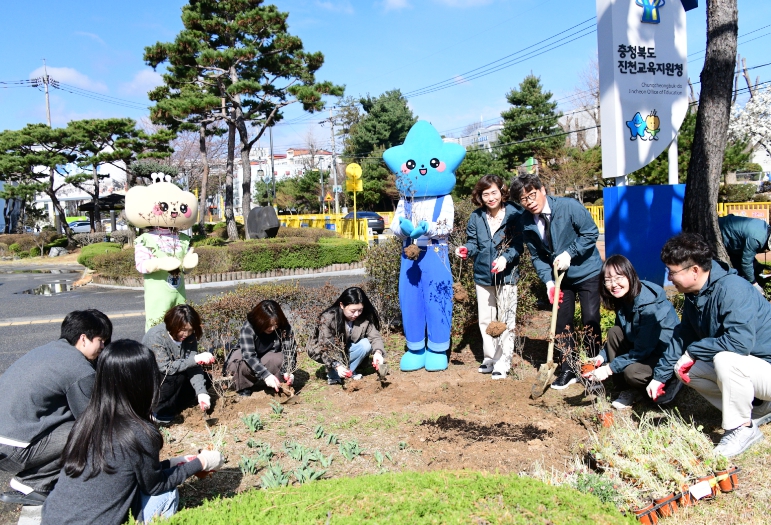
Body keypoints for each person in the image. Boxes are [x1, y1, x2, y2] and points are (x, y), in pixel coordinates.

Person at [41, 340, 224, 524]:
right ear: (142, 384)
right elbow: (156, 485)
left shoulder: (87, 419)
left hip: (52, 517)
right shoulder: (138, 432)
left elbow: (132, 470)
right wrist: (202, 462)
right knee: (167, 495)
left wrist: (177, 462)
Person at [647, 233, 771, 458]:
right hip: (753, 370)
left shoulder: (732, 289)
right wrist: (660, 376)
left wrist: (693, 351)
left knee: (725, 359)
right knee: (685, 369)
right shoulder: (695, 294)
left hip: (766, 368)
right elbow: (683, 335)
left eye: (672, 272)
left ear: (694, 271)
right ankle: (754, 409)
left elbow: (739, 342)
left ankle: (741, 429)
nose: (669, 278)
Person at [0, 310, 112, 506]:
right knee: (92, 430)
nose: (103, 347)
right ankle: (34, 483)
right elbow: (92, 417)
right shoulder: (78, 367)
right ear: (83, 339)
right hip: (11, 450)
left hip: (6, 443)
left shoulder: (50, 350)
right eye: (101, 341)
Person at [510, 173, 603, 389]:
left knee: (590, 319)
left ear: (542, 190)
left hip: (587, 271)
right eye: (523, 199)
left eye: (532, 195)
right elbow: (537, 256)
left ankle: (591, 368)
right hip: (560, 278)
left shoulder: (569, 207)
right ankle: (568, 368)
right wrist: (548, 282)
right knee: (562, 323)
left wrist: (570, 254)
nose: (529, 202)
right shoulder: (525, 221)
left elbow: (590, 233)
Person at [582, 255, 680, 410]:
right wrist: (601, 357)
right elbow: (621, 334)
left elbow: (641, 350)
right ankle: (626, 389)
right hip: (645, 348)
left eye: (618, 277)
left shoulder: (649, 306)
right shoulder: (624, 299)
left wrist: (608, 369)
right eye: (608, 280)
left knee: (632, 373)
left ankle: (671, 382)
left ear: (630, 275)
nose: (613, 284)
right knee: (615, 332)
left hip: (664, 354)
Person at [455, 174, 523, 379]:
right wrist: (466, 249)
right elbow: (473, 242)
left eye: (494, 192)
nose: (491, 198)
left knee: (506, 320)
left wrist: (506, 259)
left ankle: (503, 361)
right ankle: (490, 357)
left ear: (502, 191)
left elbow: (518, 245)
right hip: (483, 276)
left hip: (507, 276)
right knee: (485, 319)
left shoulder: (516, 213)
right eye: (486, 194)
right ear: (480, 197)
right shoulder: (476, 217)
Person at [141, 305, 214, 425]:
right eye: (183, 329)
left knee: (205, 379)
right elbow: (166, 368)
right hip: (152, 383)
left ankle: (174, 405)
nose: (186, 334)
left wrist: (202, 393)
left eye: (190, 330)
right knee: (176, 376)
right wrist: (195, 359)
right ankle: (158, 413)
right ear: (173, 324)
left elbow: (193, 366)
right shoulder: (157, 336)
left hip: (172, 381)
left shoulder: (190, 338)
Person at [308, 287, 387, 385]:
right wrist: (337, 365)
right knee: (335, 349)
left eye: (360, 310)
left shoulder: (363, 318)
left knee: (366, 344)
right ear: (342, 305)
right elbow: (326, 346)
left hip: (346, 348)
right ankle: (333, 373)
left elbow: (375, 337)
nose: (356, 314)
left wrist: (378, 352)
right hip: (324, 350)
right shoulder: (328, 318)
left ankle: (349, 372)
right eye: (353, 311)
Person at [224, 300, 296, 397]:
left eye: (276, 324)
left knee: (279, 358)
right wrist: (266, 375)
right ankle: (244, 386)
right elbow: (249, 356)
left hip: (267, 357)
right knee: (239, 363)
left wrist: (289, 370)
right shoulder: (249, 327)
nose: (272, 328)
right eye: (268, 325)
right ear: (260, 321)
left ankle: (278, 384)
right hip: (246, 357)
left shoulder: (284, 327)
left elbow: (289, 351)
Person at [717, 214, 771, 294]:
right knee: (737, 270)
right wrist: (754, 284)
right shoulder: (756, 239)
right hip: (723, 232)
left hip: (731, 232)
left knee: (753, 267)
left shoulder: (765, 228)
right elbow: (746, 263)